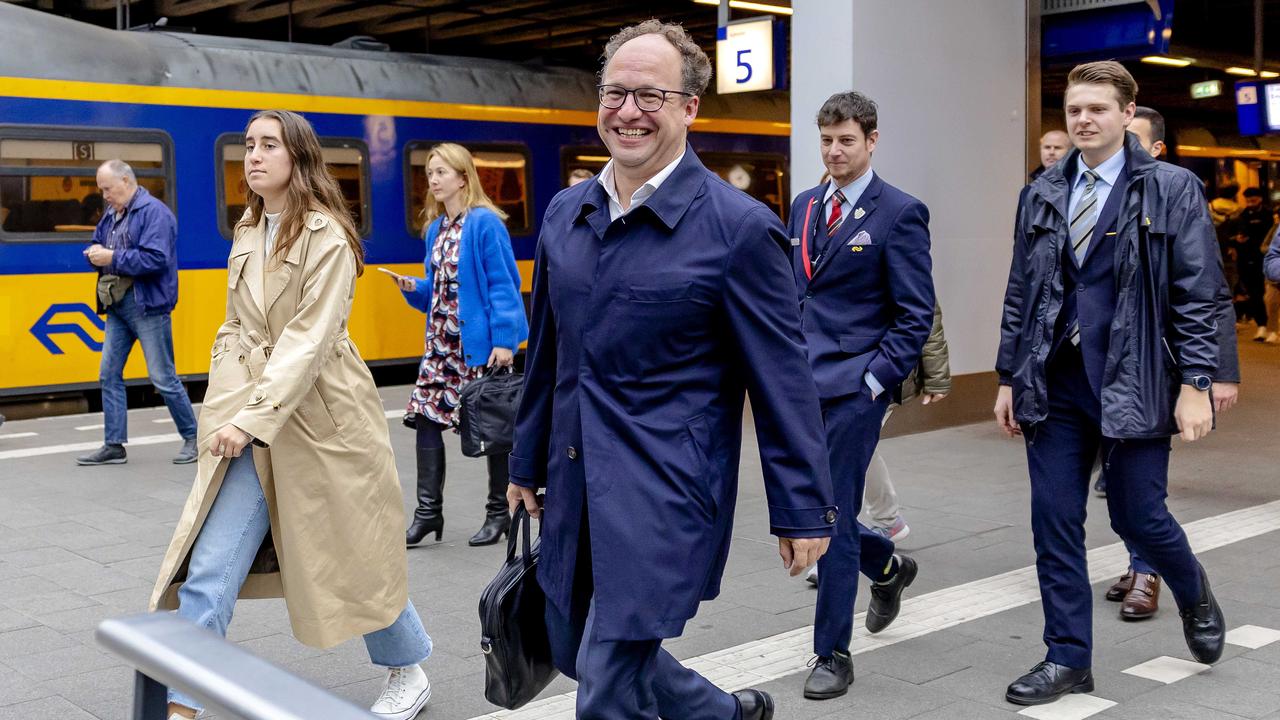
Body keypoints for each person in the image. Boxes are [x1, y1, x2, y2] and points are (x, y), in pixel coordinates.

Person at [507, 20, 835, 720]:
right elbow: (548, 356)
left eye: (651, 96)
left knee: (604, 692)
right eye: (616, 93)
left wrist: (802, 507)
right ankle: (724, 713)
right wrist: (523, 461)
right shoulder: (568, 214)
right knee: (571, 644)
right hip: (575, 477)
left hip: (665, 490)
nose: (629, 111)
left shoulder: (737, 230)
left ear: (690, 108)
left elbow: (783, 379)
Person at [150, 110, 433, 720]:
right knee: (211, 564)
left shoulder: (326, 235)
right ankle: (183, 705)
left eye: (268, 145)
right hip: (257, 416)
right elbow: (232, 327)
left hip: (325, 418)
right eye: (248, 145)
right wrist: (227, 402)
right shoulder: (248, 229)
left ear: (297, 157)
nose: (253, 156)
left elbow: (308, 341)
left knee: (354, 554)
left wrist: (248, 417)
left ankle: (407, 671)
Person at [996, 61, 1226, 706]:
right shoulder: (1041, 191)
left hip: (1138, 380)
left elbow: (1200, 293)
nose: (1083, 120)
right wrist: (1011, 375)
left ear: (1128, 115)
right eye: (1074, 111)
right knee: (1054, 522)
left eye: (1097, 109)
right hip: (1056, 384)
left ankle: (1192, 587)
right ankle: (1067, 658)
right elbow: (1022, 292)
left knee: (1138, 515)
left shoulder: (1172, 188)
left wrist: (1198, 383)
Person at [787, 90, 935, 700]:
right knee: (817, 506)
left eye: (846, 140)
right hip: (799, 383)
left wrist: (876, 379)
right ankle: (888, 566)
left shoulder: (900, 211)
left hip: (855, 387)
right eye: (826, 140)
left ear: (872, 141)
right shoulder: (802, 206)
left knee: (830, 512)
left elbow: (915, 311)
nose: (834, 151)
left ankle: (832, 654)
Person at [1095, 106, 1241, 621]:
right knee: (1113, 496)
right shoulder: (1075, 195)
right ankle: (1141, 561)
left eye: (1130, 137)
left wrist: (1211, 376)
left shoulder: (1176, 194)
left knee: (1139, 500)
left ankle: (1151, 573)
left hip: (1148, 374)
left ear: (1155, 148)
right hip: (1089, 374)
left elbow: (1206, 293)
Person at [389, 142, 528, 548]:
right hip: (439, 347)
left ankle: (499, 514)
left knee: (493, 430)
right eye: (429, 173)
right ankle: (428, 515)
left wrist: (504, 340)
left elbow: (504, 284)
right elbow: (440, 291)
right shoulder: (435, 229)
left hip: (477, 347)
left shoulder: (485, 225)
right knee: (426, 422)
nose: (432, 180)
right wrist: (414, 288)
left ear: (463, 178)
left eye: (440, 173)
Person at [75, 159, 198, 466]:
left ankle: (194, 437)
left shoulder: (155, 213)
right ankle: (114, 445)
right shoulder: (112, 214)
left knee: (162, 377)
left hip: (147, 306)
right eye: (101, 189)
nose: (103, 195)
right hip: (118, 306)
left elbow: (157, 259)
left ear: (126, 182)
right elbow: (98, 242)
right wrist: (94, 254)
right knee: (108, 374)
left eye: (107, 188)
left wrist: (111, 256)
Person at [1233, 187, 1270, 340]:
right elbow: (1235, 233)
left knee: (1263, 294)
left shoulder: (1267, 215)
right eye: (1248, 201)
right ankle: (1261, 325)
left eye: (1253, 200)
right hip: (1246, 259)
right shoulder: (1242, 215)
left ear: (1260, 199)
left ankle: (1265, 324)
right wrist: (1237, 241)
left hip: (1264, 259)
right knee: (1254, 293)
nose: (1250, 203)